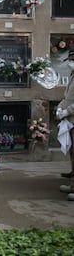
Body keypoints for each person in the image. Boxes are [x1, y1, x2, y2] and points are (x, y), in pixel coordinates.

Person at [57, 47, 74, 201]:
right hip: (70, 121)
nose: (70, 63)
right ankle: (72, 181)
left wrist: (67, 111)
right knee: (72, 150)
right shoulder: (72, 75)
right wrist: (60, 107)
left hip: (72, 116)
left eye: (72, 60)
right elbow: (67, 95)